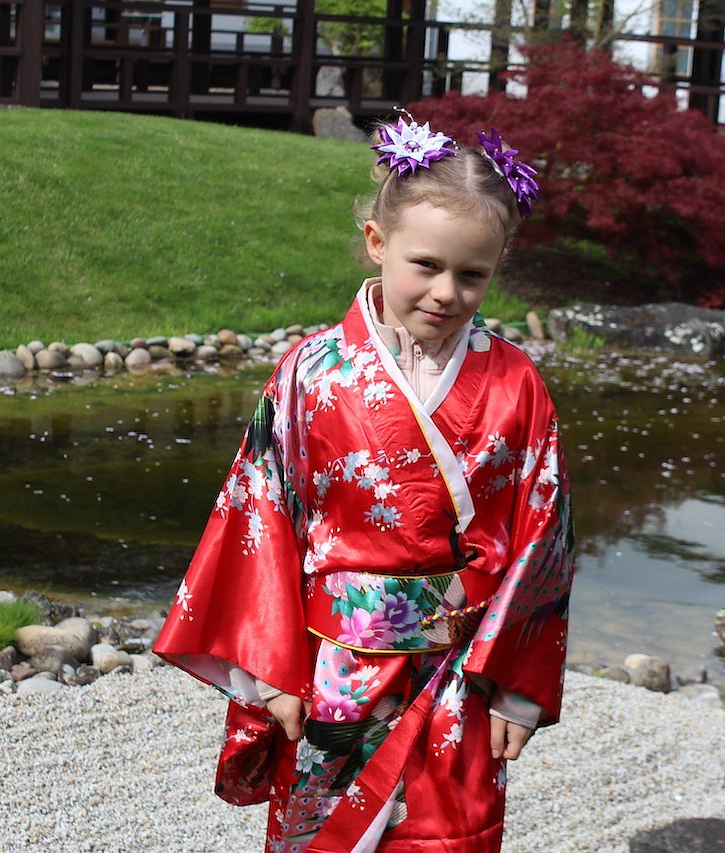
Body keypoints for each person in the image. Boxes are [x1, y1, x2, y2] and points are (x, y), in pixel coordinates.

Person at [153, 115, 572, 852]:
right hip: (335, 666)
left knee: (446, 836)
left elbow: (545, 534)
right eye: (425, 265)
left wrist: (518, 683)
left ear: (496, 267)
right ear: (378, 242)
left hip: (462, 670)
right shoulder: (312, 373)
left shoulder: (516, 382)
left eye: (471, 274)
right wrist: (269, 673)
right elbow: (259, 514)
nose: (446, 292)